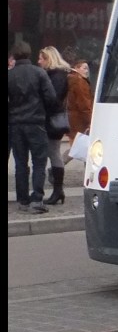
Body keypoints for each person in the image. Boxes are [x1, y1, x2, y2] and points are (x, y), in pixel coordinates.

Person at [8, 41, 59, 213]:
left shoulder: (10, 75)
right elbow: (51, 98)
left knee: (20, 163)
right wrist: (44, 111)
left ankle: (22, 200)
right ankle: (36, 199)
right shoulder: (39, 73)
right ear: (29, 54)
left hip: (16, 124)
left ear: (14, 56)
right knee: (39, 162)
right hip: (36, 122)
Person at [38, 46, 71, 205]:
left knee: (53, 153)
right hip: (51, 119)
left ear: (48, 59)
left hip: (51, 121)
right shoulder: (55, 75)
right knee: (53, 153)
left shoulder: (56, 76)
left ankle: (58, 190)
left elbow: (54, 99)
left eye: (41, 59)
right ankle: (58, 191)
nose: (39, 62)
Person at [64, 57, 94, 164]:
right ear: (77, 68)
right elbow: (84, 104)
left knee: (78, 147)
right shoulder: (80, 82)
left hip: (74, 119)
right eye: (84, 68)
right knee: (85, 147)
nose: (87, 71)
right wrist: (91, 120)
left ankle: (57, 168)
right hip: (81, 120)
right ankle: (57, 168)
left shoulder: (71, 79)